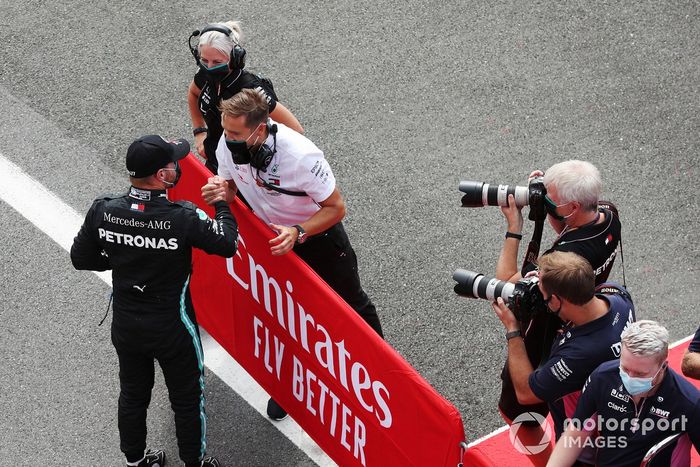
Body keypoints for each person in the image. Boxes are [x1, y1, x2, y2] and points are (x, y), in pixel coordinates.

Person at [201, 88, 383, 421]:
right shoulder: (228, 144)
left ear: (259, 129)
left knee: (352, 306)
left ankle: (382, 374)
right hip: (272, 241)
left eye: (235, 133)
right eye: (226, 131)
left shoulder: (301, 156)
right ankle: (290, 388)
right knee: (284, 317)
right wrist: (220, 189)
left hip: (317, 239)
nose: (228, 139)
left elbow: (336, 207)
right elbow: (229, 185)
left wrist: (299, 231)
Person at [70, 135, 238, 467]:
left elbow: (81, 258)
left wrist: (123, 257)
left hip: (127, 324)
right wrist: (222, 203)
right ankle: (195, 463)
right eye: (173, 163)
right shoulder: (182, 217)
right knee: (188, 401)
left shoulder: (104, 210)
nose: (178, 166)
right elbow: (227, 243)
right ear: (162, 176)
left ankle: (135, 462)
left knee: (133, 395)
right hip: (173, 328)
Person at [495, 160, 622, 430]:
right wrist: (548, 208)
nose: (547, 208)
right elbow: (570, 230)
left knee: (518, 416)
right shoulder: (609, 216)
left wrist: (514, 226)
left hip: (544, 337)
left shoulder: (561, 262)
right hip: (586, 321)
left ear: (573, 208)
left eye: (551, 205)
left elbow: (506, 281)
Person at [492, 251, 635, 466]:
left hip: (587, 448)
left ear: (558, 300)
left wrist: (513, 330)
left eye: (545, 296)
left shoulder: (579, 355)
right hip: (623, 420)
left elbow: (525, 393)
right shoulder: (618, 297)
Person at [547, 321, 700, 467]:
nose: (630, 378)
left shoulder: (689, 402)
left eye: (640, 373)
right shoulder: (602, 378)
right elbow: (574, 436)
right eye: (625, 369)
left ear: (663, 366)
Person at [187, 20, 303, 174]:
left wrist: (269, 160)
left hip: (249, 170)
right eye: (204, 60)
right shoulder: (204, 74)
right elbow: (193, 93)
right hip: (217, 160)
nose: (209, 67)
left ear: (235, 58)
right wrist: (199, 132)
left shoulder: (251, 89)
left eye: (217, 62)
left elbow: (296, 130)